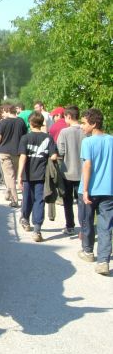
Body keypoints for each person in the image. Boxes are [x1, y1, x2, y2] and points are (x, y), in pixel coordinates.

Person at [76, 108, 112, 276]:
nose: (82, 126)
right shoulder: (111, 140)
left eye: (84, 123)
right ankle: (103, 261)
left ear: (94, 124)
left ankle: (88, 251)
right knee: (105, 226)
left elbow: (87, 165)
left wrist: (84, 190)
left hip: (90, 189)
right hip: (109, 189)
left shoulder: (88, 142)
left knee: (87, 220)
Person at [17, 111, 58, 242]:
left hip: (28, 175)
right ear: (41, 123)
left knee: (27, 199)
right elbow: (53, 156)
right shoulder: (48, 138)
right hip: (42, 176)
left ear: (30, 123)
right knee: (39, 201)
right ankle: (37, 230)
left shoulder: (25, 138)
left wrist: (19, 176)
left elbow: (23, 157)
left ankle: (26, 220)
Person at [0, 104, 28, 207]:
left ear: (6, 111)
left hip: (4, 152)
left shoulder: (3, 123)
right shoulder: (21, 122)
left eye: (3, 111)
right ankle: (8, 193)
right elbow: (24, 137)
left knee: (9, 176)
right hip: (18, 152)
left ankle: (14, 200)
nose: (2, 113)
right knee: (13, 175)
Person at [57, 105, 84, 235]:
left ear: (68, 116)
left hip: (67, 172)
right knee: (81, 201)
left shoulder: (64, 132)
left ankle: (70, 226)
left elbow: (61, 151)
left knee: (67, 200)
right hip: (83, 172)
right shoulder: (86, 131)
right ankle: (84, 226)